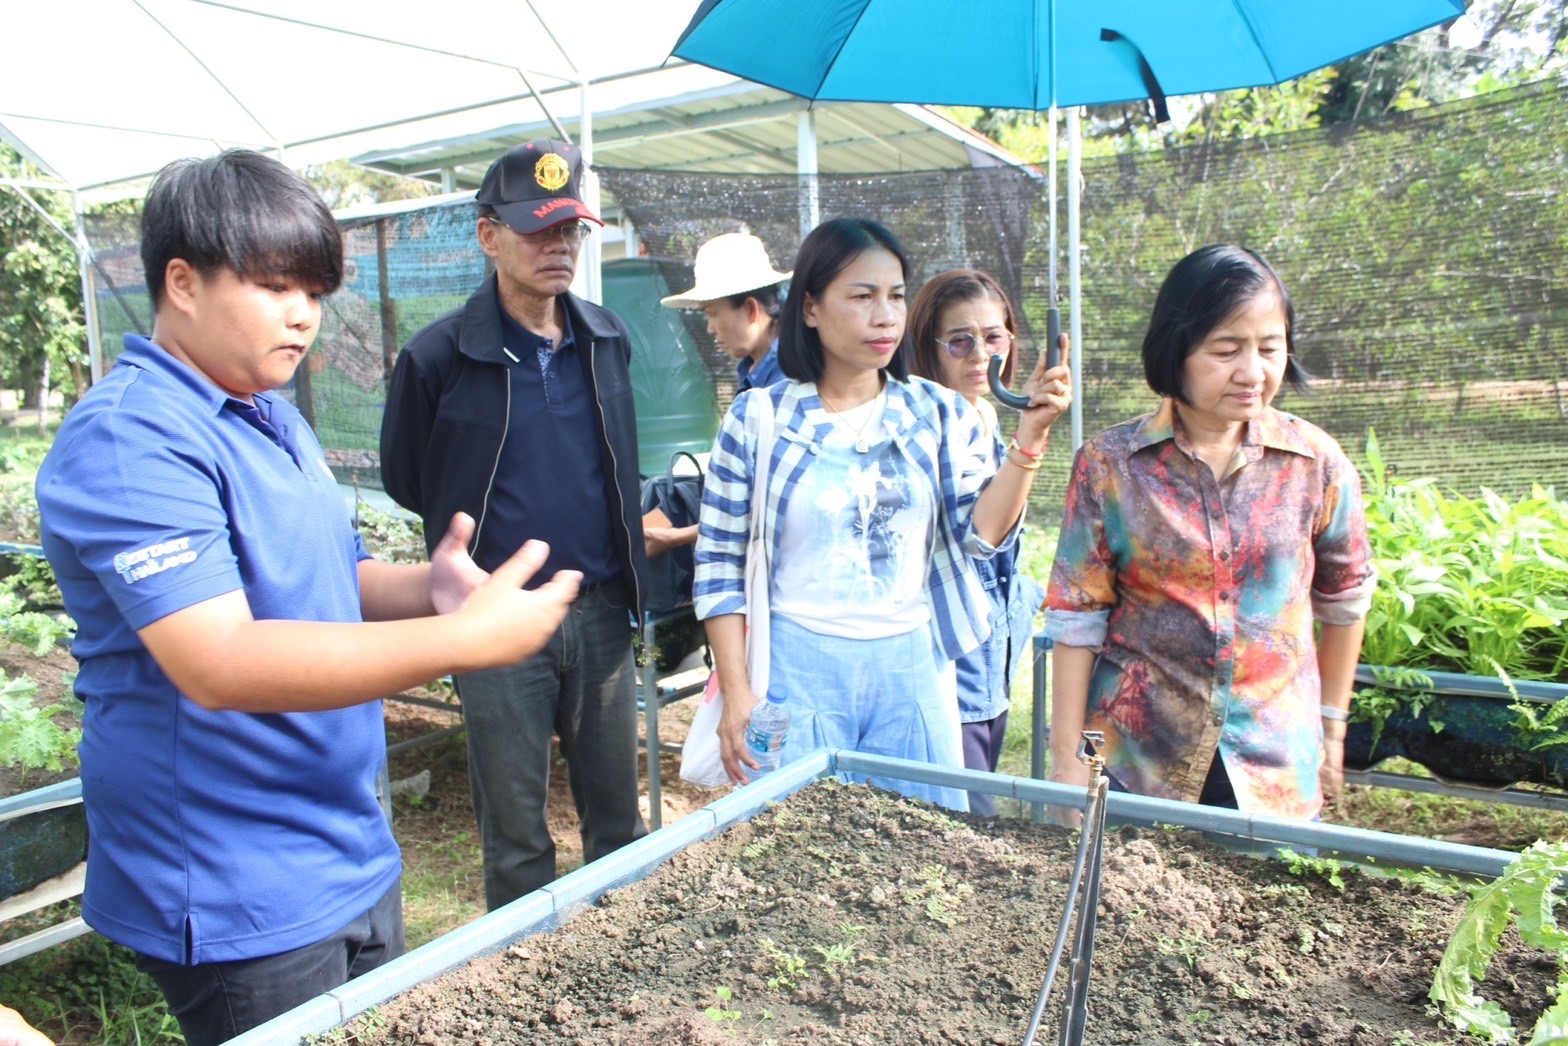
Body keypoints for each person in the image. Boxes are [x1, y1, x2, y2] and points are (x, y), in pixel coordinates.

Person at [34, 149, 581, 1046]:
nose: (303, 318)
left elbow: (320, 580)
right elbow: (220, 661)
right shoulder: (133, 440)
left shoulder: (267, 410)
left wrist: (427, 591)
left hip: (346, 844)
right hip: (236, 878)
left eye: (316, 293)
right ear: (182, 281)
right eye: (275, 286)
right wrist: (463, 643)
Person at [694, 218, 1071, 810]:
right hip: (795, 674)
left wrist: (1030, 441)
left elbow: (982, 536)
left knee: (927, 855)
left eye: (895, 296)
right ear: (811, 308)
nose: (886, 316)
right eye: (863, 296)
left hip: (911, 670)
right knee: (794, 854)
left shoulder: (939, 413)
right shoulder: (757, 418)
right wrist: (738, 691)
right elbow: (718, 564)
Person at [380, 139, 649, 911]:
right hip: (493, 620)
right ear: (489, 234)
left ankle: (619, 954)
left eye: (569, 230)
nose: (557, 246)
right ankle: (526, 974)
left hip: (597, 610)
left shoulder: (606, 338)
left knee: (617, 818)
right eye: (538, 230)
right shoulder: (439, 357)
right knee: (517, 829)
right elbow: (408, 477)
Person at [1044, 244, 1374, 825]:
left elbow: (1346, 599)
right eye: (1226, 350)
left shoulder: (1315, 463)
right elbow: (1076, 617)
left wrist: (1331, 727)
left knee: (1269, 914)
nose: (1253, 372)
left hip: (1272, 767)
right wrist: (1070, 757)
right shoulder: (1110, 465)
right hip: (1135, 759)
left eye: (1270, 348)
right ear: (1178, 350)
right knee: (1128, 910)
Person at [907, 269, 1046, 816]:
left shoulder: (985, 412)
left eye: (994, 338)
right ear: (930, 348)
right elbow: (981, 538)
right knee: (960, 814)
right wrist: (1030, 443)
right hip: (951, 651)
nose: (980, 356)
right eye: (960, 342)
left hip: (994, 644)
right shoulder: (929, 423)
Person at [660, 231, 791, 394]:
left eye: (712, 314)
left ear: (751, 309)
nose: (710, 329)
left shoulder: (788, 382)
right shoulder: (755, 371)